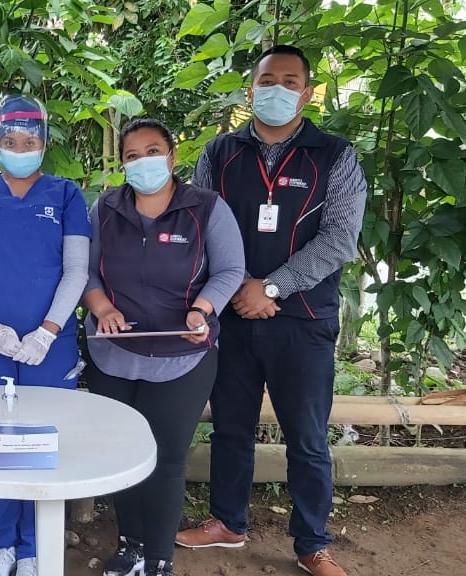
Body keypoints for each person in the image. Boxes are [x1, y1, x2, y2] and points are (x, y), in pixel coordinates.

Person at [175, 45, 367, 576]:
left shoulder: (335, 155)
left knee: (306, 437)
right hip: (232, 314)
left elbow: (339, 239)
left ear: (306, 93)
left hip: (303, 318)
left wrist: (273, 287)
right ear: (250, 89)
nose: (276, 89)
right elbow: (201, 226)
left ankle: (312, 543)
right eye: (266, 80)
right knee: (230, 427)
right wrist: (237, 290)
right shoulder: (220, 153)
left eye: (289, 81)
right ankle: (227, 522)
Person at [83, 118, 245, 576]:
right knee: (122, 453)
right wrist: (101, 307)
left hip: (182, 356)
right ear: (122, 164)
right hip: (113, 354)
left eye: (152, 152)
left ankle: (158, 558)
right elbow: (85, 270)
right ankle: (130, 546)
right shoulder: (105, 208)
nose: (143, 162)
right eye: (132, 156)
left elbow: (230, 270)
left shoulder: (206, 208)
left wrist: (202, 310)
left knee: (166, 458)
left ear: (172, 157)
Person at [0, 95, 91, 576]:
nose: (20, 149)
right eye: (10, 140)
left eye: (30, 141)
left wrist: (47, 332)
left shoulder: (66, 195)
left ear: (44, 142)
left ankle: (34, 547)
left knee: (42, 440)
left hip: (51, 344)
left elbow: (76, 271)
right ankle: (3, 544)